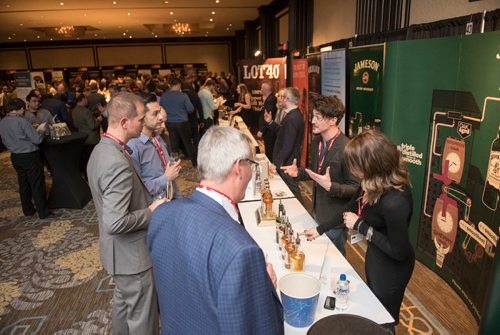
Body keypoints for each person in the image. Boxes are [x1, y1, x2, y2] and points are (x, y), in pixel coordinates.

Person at [148, 126, 284, 334]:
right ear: (239, 167)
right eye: (252, 164)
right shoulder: (241, 250)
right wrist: (263, 288)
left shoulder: (161, 215)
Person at [310, 129, 414, 325]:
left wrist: (361, 226)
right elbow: (351, 206)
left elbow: (399, 251)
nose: (352, 170)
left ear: (372, 164)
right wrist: (320, 229)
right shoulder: (370, 181)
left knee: (384, 320)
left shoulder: (395, 201)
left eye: (355, 165)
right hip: (376, 255)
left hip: (392, 268)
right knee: (372, 309)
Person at [87, 92, 165, 335]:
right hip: (132, 257)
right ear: (124, 122)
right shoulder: (115, 162)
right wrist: (151, 211)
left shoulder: (102, 150)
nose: (144, 124)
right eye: (140, 120)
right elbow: (116, 221)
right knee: (143, 318)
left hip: (117, 253)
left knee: (123, 307)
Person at [282, 95, 358, 255]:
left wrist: (331, 187)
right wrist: (299, 173)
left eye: (318, 117)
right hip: (316, 212)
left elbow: (356, 189)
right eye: (313, 116)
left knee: (333, 261)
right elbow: (316, 174)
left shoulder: (346, 148)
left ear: (333, 120)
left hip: (335, 221)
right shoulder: (317, 142)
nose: (312, 121)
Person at [0, 98, 51, 219]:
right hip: (29, 155)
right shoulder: (21, 121)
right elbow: (37, 140)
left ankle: (27, 209)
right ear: (21, 108)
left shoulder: (3, 121)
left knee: (23, 183)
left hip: (15, 156)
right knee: (37, 184)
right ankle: (43, 213)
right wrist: (41, 132)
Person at [127, 94, 182, 200]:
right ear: (141, 118)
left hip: (170, 199)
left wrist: (178, 198)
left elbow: (170, 177)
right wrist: (166, 178)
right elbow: (138, 190)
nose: (161, 117)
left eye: (159, 111)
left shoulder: (157, 138)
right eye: (155, 114)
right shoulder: (133, 146)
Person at [263, 87, 305, 203]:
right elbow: (282, 132)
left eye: (282, 97)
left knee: (293, 192)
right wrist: (270, 122)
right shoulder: (293, 114)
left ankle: (305, 215)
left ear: (287, 99)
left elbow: (287, 145)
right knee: (290, 190)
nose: (280, 99)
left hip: (288, 163)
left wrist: (275, 163)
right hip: (288, 161)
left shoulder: (292, 118)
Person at [159, 77, 197, 166]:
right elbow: (190, 109)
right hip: (182, 122)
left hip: (170, 123)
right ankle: (194, 163)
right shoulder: (183, 96)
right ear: (178, 85)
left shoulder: (164, 96)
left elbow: (161, 109)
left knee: (174, 144)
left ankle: (173, 164)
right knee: (188, 143)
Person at [72, 93, 102, 180]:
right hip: (91, 138)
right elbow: (92, 126)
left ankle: (86, 176)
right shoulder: (86, 111)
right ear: (83, 99)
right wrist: (98, 120)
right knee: (92, 159)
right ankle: (93, 177)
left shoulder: (74, 110)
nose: (87, 101)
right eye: (86, 99)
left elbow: (75, 124)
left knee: (85, 159)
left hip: (82, 137)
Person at [257, 81, 278, 161]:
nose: (261, 89)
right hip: (268, 129)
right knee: (268, 149)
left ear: (266, 89)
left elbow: (267, 116)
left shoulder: (270, 100)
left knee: (269, 150)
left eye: (262, 88)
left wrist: (261, 130)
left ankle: (271, 168)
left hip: (269, 130)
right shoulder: (269, 98)